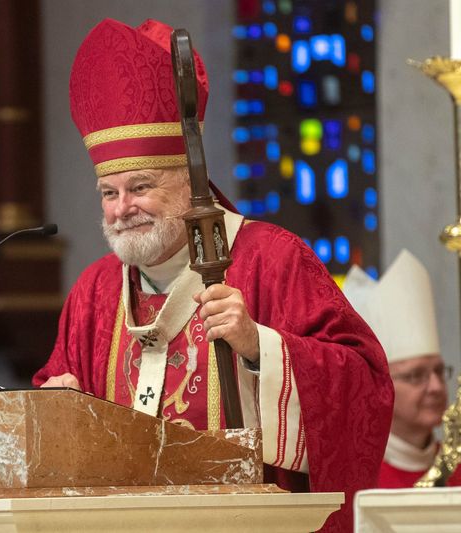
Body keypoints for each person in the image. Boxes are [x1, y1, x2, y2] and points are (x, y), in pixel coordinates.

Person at [32, 18, 393, 533]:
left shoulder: (271, 259)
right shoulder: (95, 292)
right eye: (109, 193)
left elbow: (365, 387)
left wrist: (259, 347)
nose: (121, 209)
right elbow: (53, 401)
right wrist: (56, 409)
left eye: (140, 187)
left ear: (188, 180)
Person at [343, 249, 460, 488]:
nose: (437, 387)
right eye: (416, 375)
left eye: (439, 371)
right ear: (379, 387)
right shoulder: (355, 477)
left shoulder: (456, 469)